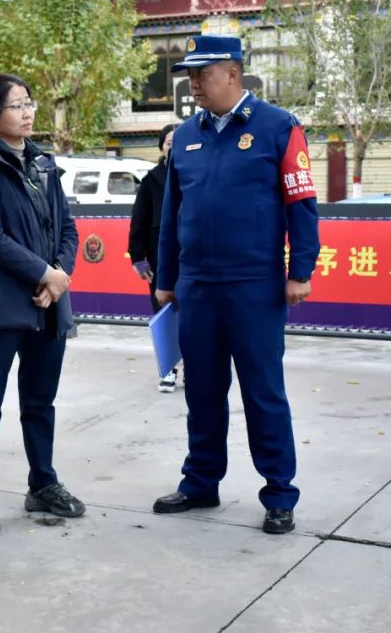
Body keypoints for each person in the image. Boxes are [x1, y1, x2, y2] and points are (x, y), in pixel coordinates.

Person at [152, 35, 319, 535]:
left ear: (232, 73)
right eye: (190, 76)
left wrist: (300, 271)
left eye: (202, 74)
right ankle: (201, 481)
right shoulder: (186, 136)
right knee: (202, 391)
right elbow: (171, 215)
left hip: (254, 286)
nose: (194, 84)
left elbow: (301, 204)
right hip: (197, 287)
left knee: (263, 392)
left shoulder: (278, 127)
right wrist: (167, 279)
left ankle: (279, 493)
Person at [0, 73, 83, 535]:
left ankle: (42, 484)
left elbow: (67, 229)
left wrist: (58, 277)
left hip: (47, 303)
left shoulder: (44, 164)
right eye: (16, 105)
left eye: (29, 103)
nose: (27, 112)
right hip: (0, 306)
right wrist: (43, 273)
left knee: (40, 401)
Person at [128, 122, 179, 392]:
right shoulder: (151, 180)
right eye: (169, 142)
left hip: (193, 258)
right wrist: (139, 258)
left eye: (179, 141)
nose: (174, 146)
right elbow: (138, 221)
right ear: (162, 147)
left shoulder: (196, 173)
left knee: (196, 316)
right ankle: (168, 369)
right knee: (164, 313)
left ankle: (196, 368)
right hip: (161, 259)